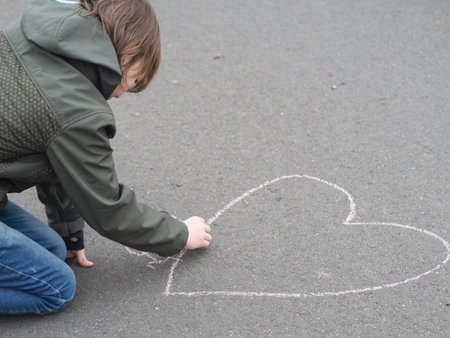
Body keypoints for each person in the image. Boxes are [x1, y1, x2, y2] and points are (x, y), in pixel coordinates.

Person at [0, 0, 211, 315]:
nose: (121, 94)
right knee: (56, 287)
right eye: (135, 80)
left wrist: (68, 228)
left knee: (54, 249)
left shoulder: (35, 35)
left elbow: (53, 157)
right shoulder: (78, 111)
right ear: (129, 53)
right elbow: (108, 208)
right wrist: (179, 234)